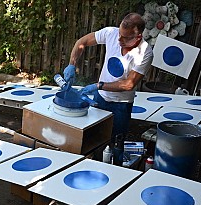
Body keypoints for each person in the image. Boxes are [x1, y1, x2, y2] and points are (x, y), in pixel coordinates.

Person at [63, 12, 153, 142]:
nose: (119, 40)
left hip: (121, 106)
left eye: (125, 37)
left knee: (116, 143)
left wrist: (99, 85)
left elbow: (129, 84)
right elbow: (82, 42)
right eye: (119, 34)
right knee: (93, 138)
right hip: (100, 98)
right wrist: (72, 64)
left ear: (138, 37)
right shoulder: (111, 33)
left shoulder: (145, 52)